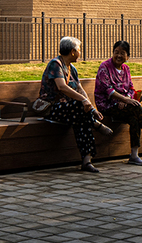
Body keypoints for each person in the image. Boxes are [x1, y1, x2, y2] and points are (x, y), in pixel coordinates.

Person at [41, 37, 112, 173]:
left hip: (73, 110)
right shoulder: (55, 64)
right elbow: (62, 87)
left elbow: (80, 89)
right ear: (73, 51)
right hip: (53, 108)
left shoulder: (72, 68)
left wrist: (92, 109)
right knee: (81, 109)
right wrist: (83, 101)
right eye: (79, 50)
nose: (80, 52)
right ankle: (96, 126)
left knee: (82, 119)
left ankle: (87, 161)